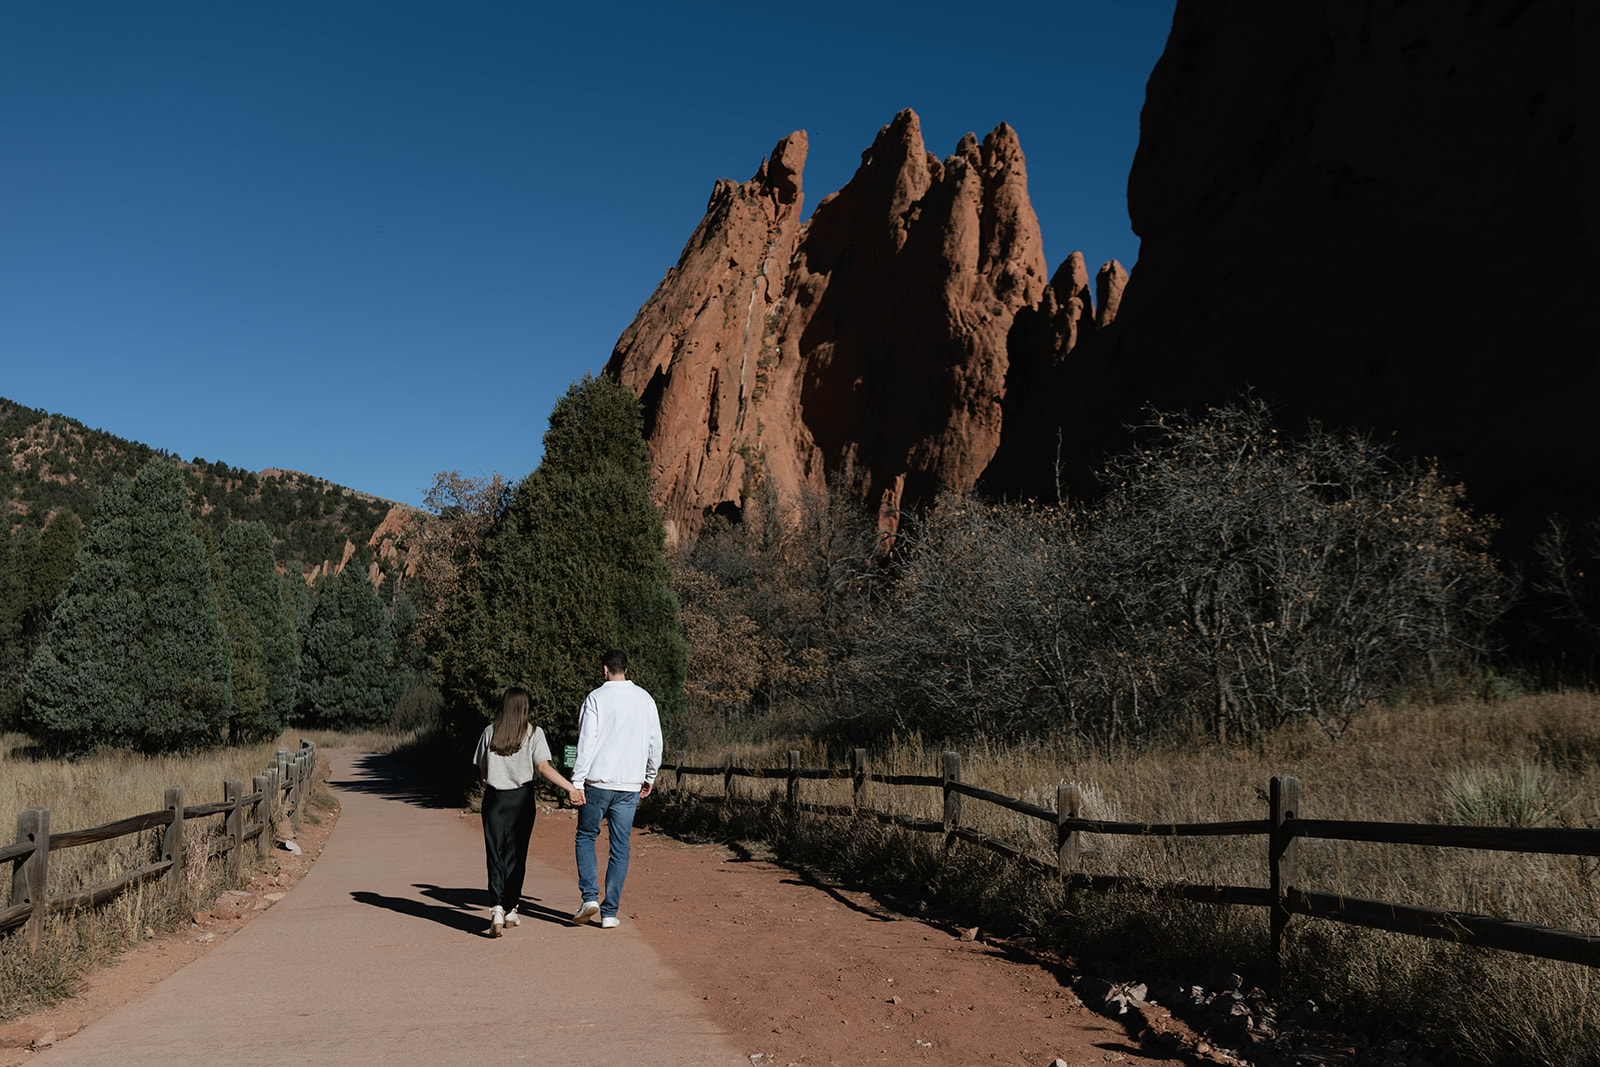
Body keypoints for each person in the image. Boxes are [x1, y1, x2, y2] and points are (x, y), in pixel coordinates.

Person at [474, 687, 582, 938]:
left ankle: (498, 909)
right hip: (521, 800)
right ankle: (511, 907)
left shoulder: (490, 732)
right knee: (516, 854)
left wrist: (489, 785)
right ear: (525, 708)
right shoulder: (535, 733)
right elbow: (543, 767)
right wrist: (570, 788)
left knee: (495, 854)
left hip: (494, 800)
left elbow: (481, 770)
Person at [569, 648, 663, 928]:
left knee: (586, 836)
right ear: (626, 668)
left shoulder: (596, 698)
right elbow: (654, 741)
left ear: (604, 669)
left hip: (597, 782)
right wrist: (650, 776)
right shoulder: (645, 699)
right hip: (629, 784)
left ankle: (589, 897)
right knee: (620, 847)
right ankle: (609, 912)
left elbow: (586, 741)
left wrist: (577, 780)